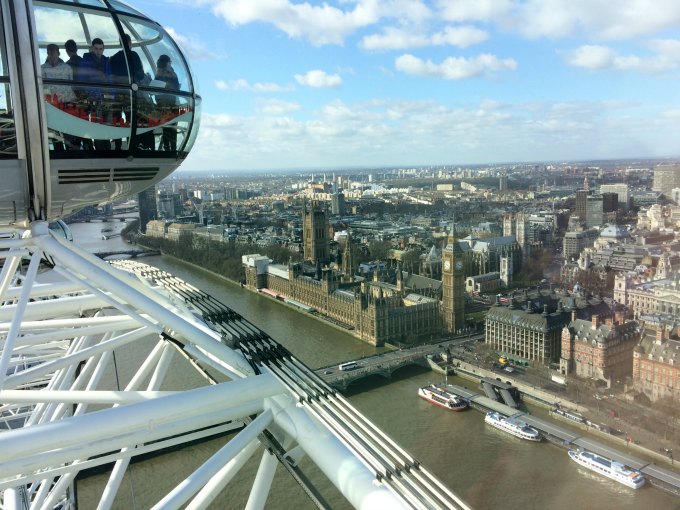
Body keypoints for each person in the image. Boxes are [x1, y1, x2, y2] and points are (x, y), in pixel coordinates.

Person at [109, 34, 150, 150]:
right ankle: (131, 145)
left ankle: (117, 146)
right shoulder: (134, 55)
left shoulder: (114, 58)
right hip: (130, 94)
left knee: (117, 120)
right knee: (130, 120)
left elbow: (112, 76)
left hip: (117, 93)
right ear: (130, 43)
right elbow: (140, 74)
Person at [41, 44, 76, 150]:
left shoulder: (67, 68)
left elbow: (71, 84)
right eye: (49, 52)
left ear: (58, 53)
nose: (52, 54)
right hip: (51, 105)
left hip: (66, 104)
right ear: (47, 54)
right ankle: (59, 154)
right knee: (55, 133)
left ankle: (71, 153)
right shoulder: (42, 69)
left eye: (53, 52)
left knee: (68, 132)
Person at [79, 37, 111, 150]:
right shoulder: (86, 61)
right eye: (96, 48)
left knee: (108, 127)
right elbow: (82, 80)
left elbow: (110, 80)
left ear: (103, 49)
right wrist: (91, 94)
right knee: (98, 126)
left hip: (106, 99)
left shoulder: (106, 61)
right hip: (94, 99)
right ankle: (100, 152)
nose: (98, 51)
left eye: (100, 49)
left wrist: (112, 97)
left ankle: (107, 151)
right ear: (92, 48)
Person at [155, 54, 180, 151]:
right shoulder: (172, 73)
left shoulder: (158, 73)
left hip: (162, 104)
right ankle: (172, 149)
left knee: (166, 128)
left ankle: (167, 148)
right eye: (170, 62)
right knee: (172, 128)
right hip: (171, 104)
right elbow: (176, 87)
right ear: (167, 63)